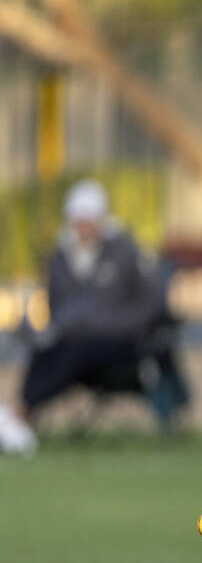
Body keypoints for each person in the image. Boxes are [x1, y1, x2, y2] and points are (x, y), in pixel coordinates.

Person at [0, 179, 166, 455]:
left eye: (89, 220)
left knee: (74, 347)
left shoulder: (124, 252)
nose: (84, 227)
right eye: (79, 221)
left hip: (120, 345)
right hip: (73, 343)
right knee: (48, 347)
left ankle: (17, 415)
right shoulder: (60, 257)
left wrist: (118, 324)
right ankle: (19, 418)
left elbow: (151, 302)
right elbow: (55, 304)